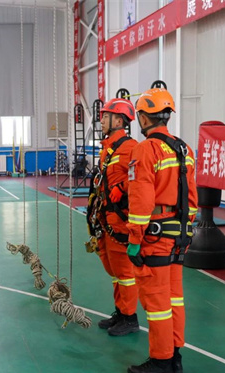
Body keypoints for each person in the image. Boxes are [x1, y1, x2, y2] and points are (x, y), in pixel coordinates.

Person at [125, 88, 198, 373]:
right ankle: (175, 355)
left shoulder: (146, 150)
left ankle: (161, 361)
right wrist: (185, 231)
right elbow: (191, 199)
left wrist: (134, 240)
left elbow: (141, 201)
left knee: (156, 303)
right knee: (174, 298)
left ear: (144, 117)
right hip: (179, 238)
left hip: (155, 238)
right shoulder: (184, 149)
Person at [87, 98, 139, 336]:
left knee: (125, 273)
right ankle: (120, 311)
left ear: (119, 121)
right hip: (105, 218)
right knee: (113, 269)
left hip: (120, 219)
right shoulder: (108, 149)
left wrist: (123, 188)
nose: (102, 120)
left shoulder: (130, 148)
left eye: (106, 116)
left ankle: (129, 317)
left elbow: (141, 178)